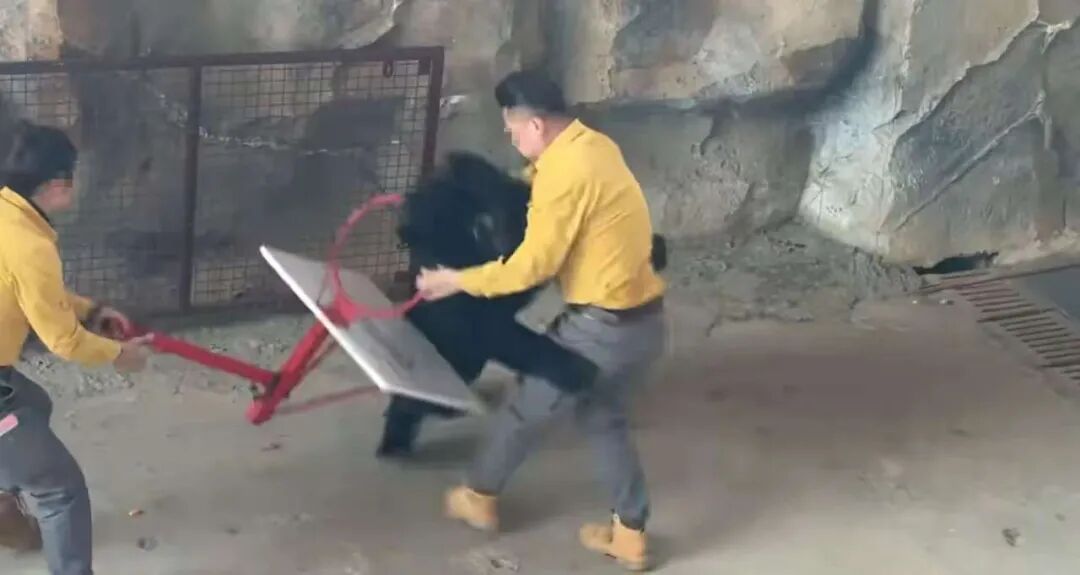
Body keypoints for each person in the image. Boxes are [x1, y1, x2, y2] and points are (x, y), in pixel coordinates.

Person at [416, 70, 667, 572]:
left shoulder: (564, 176)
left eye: (512, 127)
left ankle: (478, 495)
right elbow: (539, 187)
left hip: (600, 331)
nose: (509, 136)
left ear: (535, 125)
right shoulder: (592, 146)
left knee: (524, 408)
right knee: (603, 418)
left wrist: (457, 280)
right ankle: (630, 534)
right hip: (645, 325)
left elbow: (530, 267)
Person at [0, 120, 151, 575]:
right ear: (57, 185)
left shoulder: (8, 216)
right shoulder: (30, 245)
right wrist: (120, 354)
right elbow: (63, 340)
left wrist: (91, 310)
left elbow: (31, 292)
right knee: (60, 490)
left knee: (34, 403)